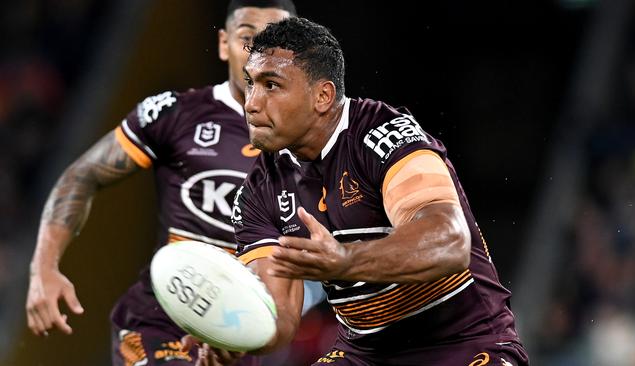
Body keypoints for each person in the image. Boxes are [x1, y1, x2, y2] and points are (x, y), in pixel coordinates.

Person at [25, 2, 325, 365]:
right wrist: (43, 266)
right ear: (223, 43)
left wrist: (252, 340)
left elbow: (287, 309)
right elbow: (82, 174)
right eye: (248, 39)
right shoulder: (175, 114)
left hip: (234, 340)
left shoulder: (316, 149)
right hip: (157, 322)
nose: (261, 54)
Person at [223, 17, 530, 365]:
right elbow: (279, 316)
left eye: (271, 85)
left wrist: (346, 260)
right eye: (250, 83)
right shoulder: (257, 194)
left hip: (466, 343)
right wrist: (229, 333)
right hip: (366, 355)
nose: (251, 103)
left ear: (323, 96)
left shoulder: (386, 136)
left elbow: (449, 242)